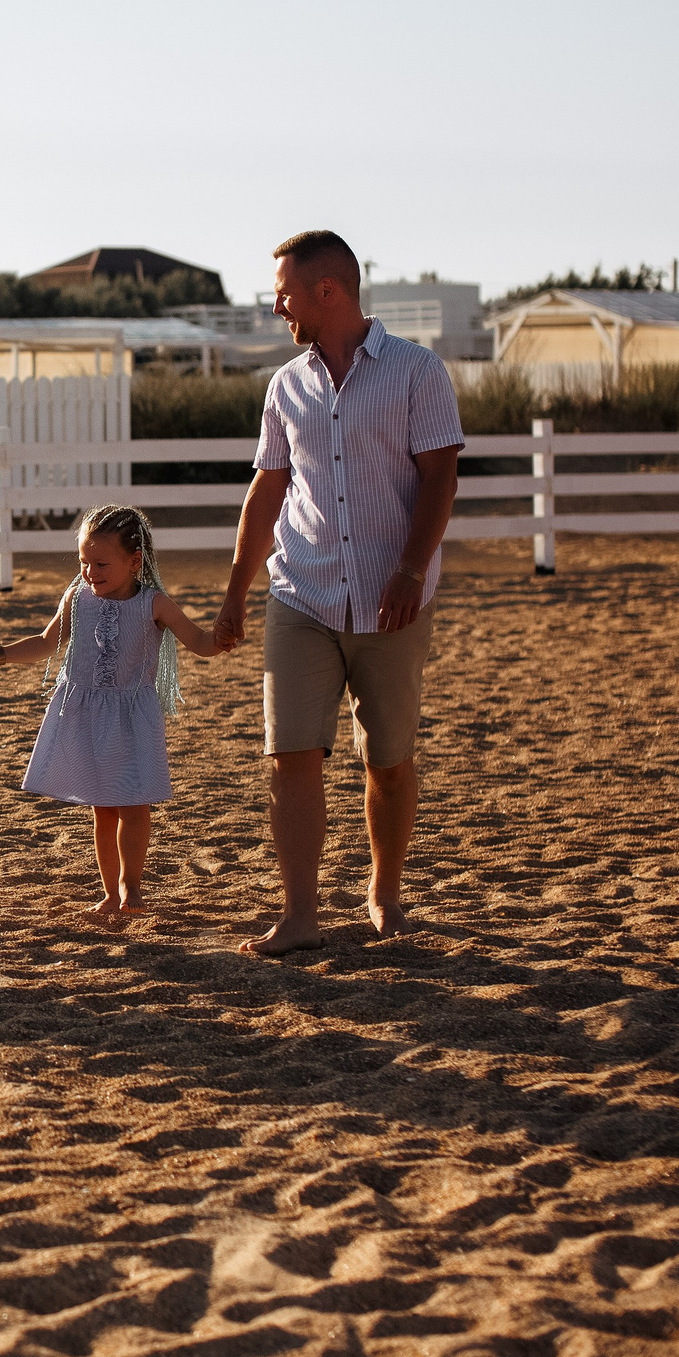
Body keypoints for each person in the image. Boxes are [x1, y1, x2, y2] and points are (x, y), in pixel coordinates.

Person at [211, 230, 463, 956]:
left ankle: (383, 890)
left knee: (386, 756)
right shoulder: (285, 386)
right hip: (301, 592)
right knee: (290, 752)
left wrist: (413, 569)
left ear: (328, 291)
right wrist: (235, 590)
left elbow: (441, 476)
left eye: (284, 292)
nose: (277, 306)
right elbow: (268, 490)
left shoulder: (418, 373)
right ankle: (299, 913)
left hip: (393, 595)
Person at [0, 506, 222, 928]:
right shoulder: (77, 598)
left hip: (131, 717)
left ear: (134, 561)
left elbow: (199, 642)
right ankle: (109, 889)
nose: (89, 573)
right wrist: (2, 654)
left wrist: (222, 638)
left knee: (134, 804)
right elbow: (48, 642)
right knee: (102, 807)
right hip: (85, 714)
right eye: (83, 562)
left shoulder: (154, 603)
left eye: (100, 564)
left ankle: (131, 885)